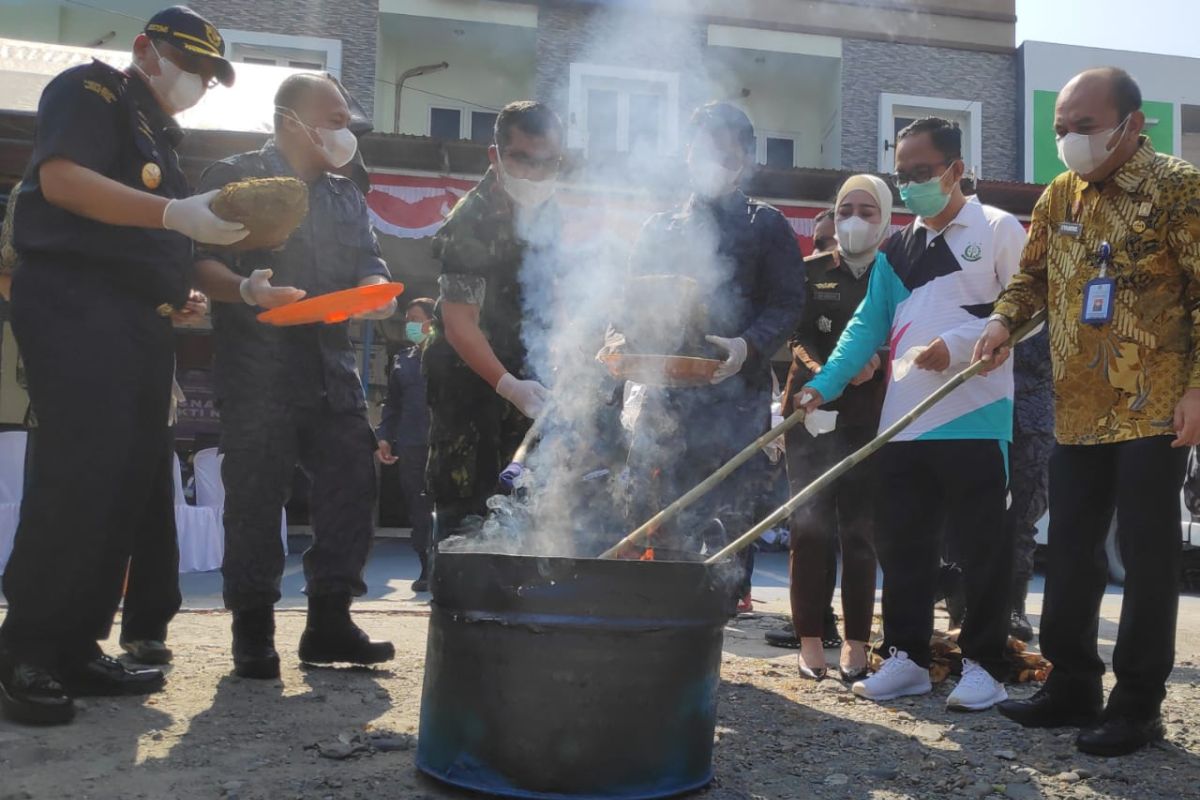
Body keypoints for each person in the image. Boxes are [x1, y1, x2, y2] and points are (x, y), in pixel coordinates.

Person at [0, 6, 243, 726]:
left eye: (207, 74)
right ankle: (26, 651)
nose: (198, 81)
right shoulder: (89, 92)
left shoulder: (163, 138)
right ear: (145, 49)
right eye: (190, 64)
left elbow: (174, 244)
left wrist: (240, 289)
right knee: (78, 476)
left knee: (129, 485)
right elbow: (66, 183)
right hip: (76, 305)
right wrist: (173, 217)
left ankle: (77, 644)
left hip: (140, 320)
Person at [975, 67, 1200, 756]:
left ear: (1133, 123)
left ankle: (1137, 705)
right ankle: (1072, 683)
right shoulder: (1059, 195)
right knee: (1068, 552)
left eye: (1085, 125)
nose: (1070, 138)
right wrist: (1001, 324)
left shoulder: (1178, 186)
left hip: (1153, 403)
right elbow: (1034, 277)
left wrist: (1198, 387)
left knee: (1145, 554)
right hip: (1077, 409)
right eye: (1060, 128)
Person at [800, 117, 1026, 711]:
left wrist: (957, 345)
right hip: (903, 420)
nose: (911, 186)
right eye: (903, 176)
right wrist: (824, 385)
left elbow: (1027, 309)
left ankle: (985, 664)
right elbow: (864, 326)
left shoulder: (999, 229)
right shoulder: (897, 247)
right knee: (903, 542)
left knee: (983, 544)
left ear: (956, 169)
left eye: (922, 174)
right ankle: (907, 657)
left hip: (977, 414)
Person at [192, 73, 395, 680]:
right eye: (333, 119)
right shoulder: (232, 177)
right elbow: (198, 260)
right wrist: (244, 290)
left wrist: (372, 290)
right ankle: (253, 631)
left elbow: (369, 258)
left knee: (352, 487)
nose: (344, 132)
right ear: (290, 121)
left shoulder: (345, 195)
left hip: (332, 370)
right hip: (258, 370)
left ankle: (329, 621)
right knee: (254, 500)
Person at [613, 102, 805, 602]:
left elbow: (788, 303)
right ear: (688, 153)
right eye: (704, 149)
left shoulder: (767, 225)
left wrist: (749, 345)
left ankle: (718, 608)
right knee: (664, 505)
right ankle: (669, 607)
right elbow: (631, 302)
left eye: (727, 151)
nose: (714, 160)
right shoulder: (661, 227)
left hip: (735, 396)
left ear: (744, 158)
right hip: (667, 395)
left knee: (726, 510)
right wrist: (618, 338)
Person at [423, 101, 563, 540]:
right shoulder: (470, 220)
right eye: (522, 159)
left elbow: (550, 291)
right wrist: (509, 386)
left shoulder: (548, 212)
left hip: (524, 382)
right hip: (469, 388)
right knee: (467, 512)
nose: (536, 174)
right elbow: (459, 323)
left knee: (524, 507)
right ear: (495, 155)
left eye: (548, 162)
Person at [780, 176, 891, 680]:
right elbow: (796, 335)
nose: (855, 219)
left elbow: (909, 329)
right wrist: (822, 374)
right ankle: (809, 639)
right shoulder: (808, 272)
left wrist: (880, 359)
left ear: (886, 218)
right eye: (847, 208)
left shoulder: (894, 273)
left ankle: (856, 642)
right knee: (808, 529)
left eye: (868, 211)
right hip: (810, 411)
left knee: (860, 530)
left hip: (870, 415)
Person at [377, 297, 435, 592]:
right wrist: (384, 436)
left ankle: (449, 567)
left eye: (416, 319)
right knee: (418, 507)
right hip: (411, 443)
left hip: (443, 443)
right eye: (408, 320)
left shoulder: (449, 355)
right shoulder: (403, 359)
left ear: (431, 322)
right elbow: (392, 403)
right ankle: (426, 567)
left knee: (445, 506)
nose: (411, 325)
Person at [1007, 328, 1053, 642]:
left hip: (1034, 420)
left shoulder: (1052, 296)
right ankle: (963, 602)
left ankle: (1013, 606)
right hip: (982, 413)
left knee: (1023, 519)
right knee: (969, 515)